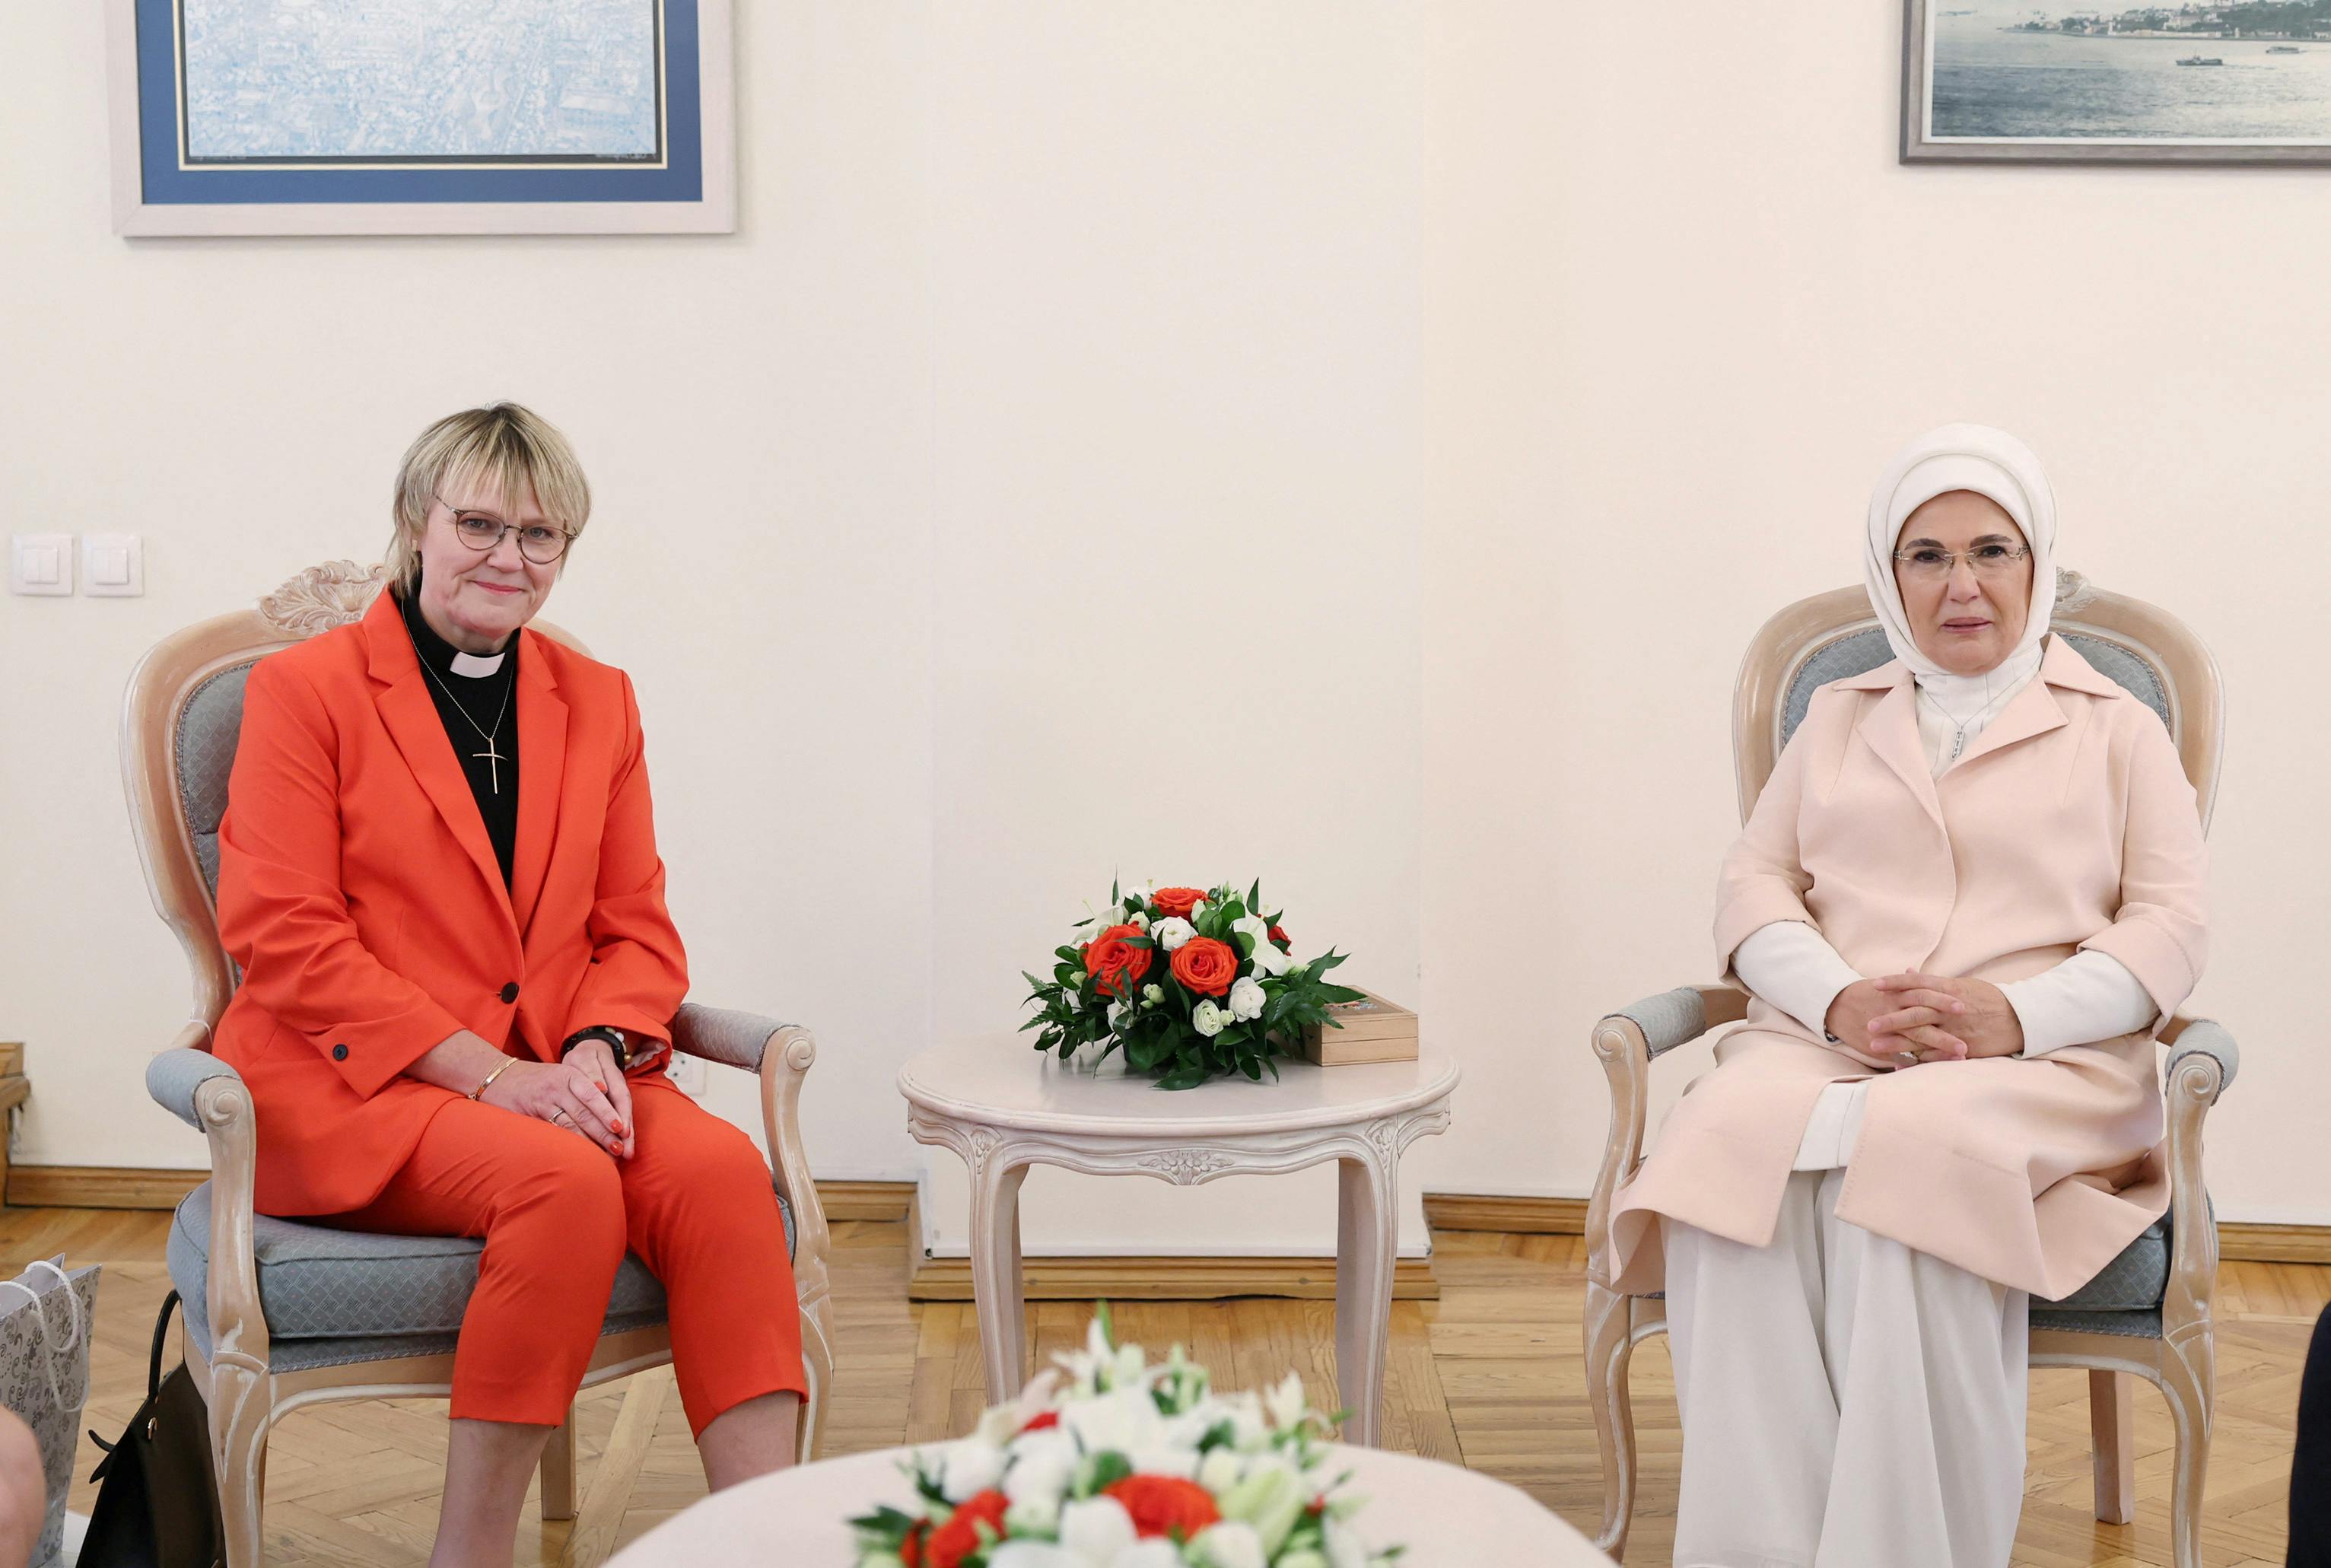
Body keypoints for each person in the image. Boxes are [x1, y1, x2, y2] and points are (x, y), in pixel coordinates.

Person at [213, 403, 804, 1567]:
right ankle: (469, 1555)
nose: (507, 557)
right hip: (363, 1084)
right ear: (414, 526)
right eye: (478, 522)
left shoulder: (598, 697)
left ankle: (770, 1542)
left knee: (728, 1176)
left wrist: (592, 1046)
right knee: (564, 1184)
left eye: (541, 535)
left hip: (557, 1066)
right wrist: (492, 1077)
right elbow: (283, 934)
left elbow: (633, 922)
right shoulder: (306, 691)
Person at [1608, 424, 2208, 1568]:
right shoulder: (1838, 715)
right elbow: (1754, 882)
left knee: (1918, 1149)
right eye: (1926, 556)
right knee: (1733, 1134)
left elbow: (2172, 924)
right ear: (1891, 575)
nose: (1962, 583)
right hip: (1829, 1042)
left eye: (1992, 549)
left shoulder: (2120, 730)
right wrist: (1837, 1003)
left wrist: (2017, 1015)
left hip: (2041, 1067)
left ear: (2038, 567)